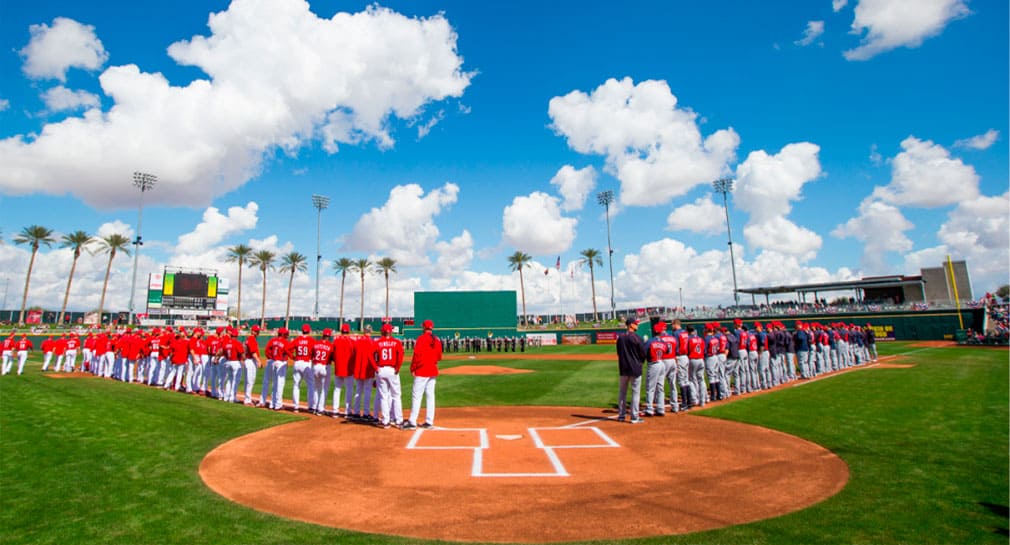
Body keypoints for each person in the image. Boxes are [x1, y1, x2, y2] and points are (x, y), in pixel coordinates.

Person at [404, 319, 442, 429]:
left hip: (422, 370)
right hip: (432, 370)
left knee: (417, 396)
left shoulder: (421, 339)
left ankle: (412, 421)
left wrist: (413, 368)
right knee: (430, 396)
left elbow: (416, 355)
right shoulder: (437, 339)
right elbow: (439, 357)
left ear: (424, 327)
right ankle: (429, 421)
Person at [615, 318, 646, 423]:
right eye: (636, 324)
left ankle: (621, 415)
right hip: (635, 368)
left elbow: (619, 353)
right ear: (631, 325)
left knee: (622, 392)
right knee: (635, 392)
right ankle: (634, 417)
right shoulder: (637, 338)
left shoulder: (620, 338)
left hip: (623, 368)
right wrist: (640, 362)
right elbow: (643, 354)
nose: (637, 325)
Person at [373, 323, 405, 428]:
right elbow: (400, 356)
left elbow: (370, 355)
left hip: (381, 370)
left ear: (382, 332)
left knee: (383, 396)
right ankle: (398, 420)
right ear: (390, 331)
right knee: (396, 396)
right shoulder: (396, 342)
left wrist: (375, 368)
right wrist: (397, 368)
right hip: (392, 370)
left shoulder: (378, 342)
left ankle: (385, 421)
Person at [287, 324, 315, 413]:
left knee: (296, 385)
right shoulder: (311, 340)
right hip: (307, 363)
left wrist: (292, 357)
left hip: (298, 362)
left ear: (302, 331)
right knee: (310, 385)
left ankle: (296, 407)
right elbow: (316, 351)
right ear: (309, 331)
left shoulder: (297, 339)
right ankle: (311, 406)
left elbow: (287, 349)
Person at [643, 321, 668, 417]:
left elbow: (644, 352)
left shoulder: (650, 341)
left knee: (650, 388)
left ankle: (649, 409)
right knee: (660, 387)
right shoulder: (663, 342)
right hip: (662, 363)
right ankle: (661, 409)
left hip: (654, 364)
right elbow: (667, 350)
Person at [260, 327, 288, 409]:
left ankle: (271, 403)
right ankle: (278, 404)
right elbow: (288, 352)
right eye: (286, 334)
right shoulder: (285, 342)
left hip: (272, 361)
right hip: (280, 362)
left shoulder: (272, 340)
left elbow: (266, 350)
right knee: (279, 384)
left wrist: (271, 358)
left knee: (272, 383)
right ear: (283, 334)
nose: (287, 335)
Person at [331, 323, 355, 417]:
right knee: (349, 389)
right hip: (348, 369)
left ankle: (335, 411)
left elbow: (332, 354)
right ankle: (347, 411)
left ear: (341, 331)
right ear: (348, 331)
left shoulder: (336, 341)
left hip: (338, 368)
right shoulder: (352, 341)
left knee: (337, 389)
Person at [309, 328, 335, 415]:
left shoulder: (316, 343)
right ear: (329, 336)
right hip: (325, 367)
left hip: (316, 366)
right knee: (324, 389)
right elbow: (333, 358)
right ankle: (320, 409)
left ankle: (314, 407)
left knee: (316, 388)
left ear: (323, 335)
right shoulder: (330, 345)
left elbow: (311, 355)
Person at [239, 326, 262, 406]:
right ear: (253, 331)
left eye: (258, 331)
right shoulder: (251, 339)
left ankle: (247, 398)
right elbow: (253, 352)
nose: (258, 333)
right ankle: (247, 400)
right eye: (257, 331)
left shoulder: (249, 339)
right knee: (250, 381)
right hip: (250, 361)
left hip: (248, 361)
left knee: (248, 381)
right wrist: (258, 361)